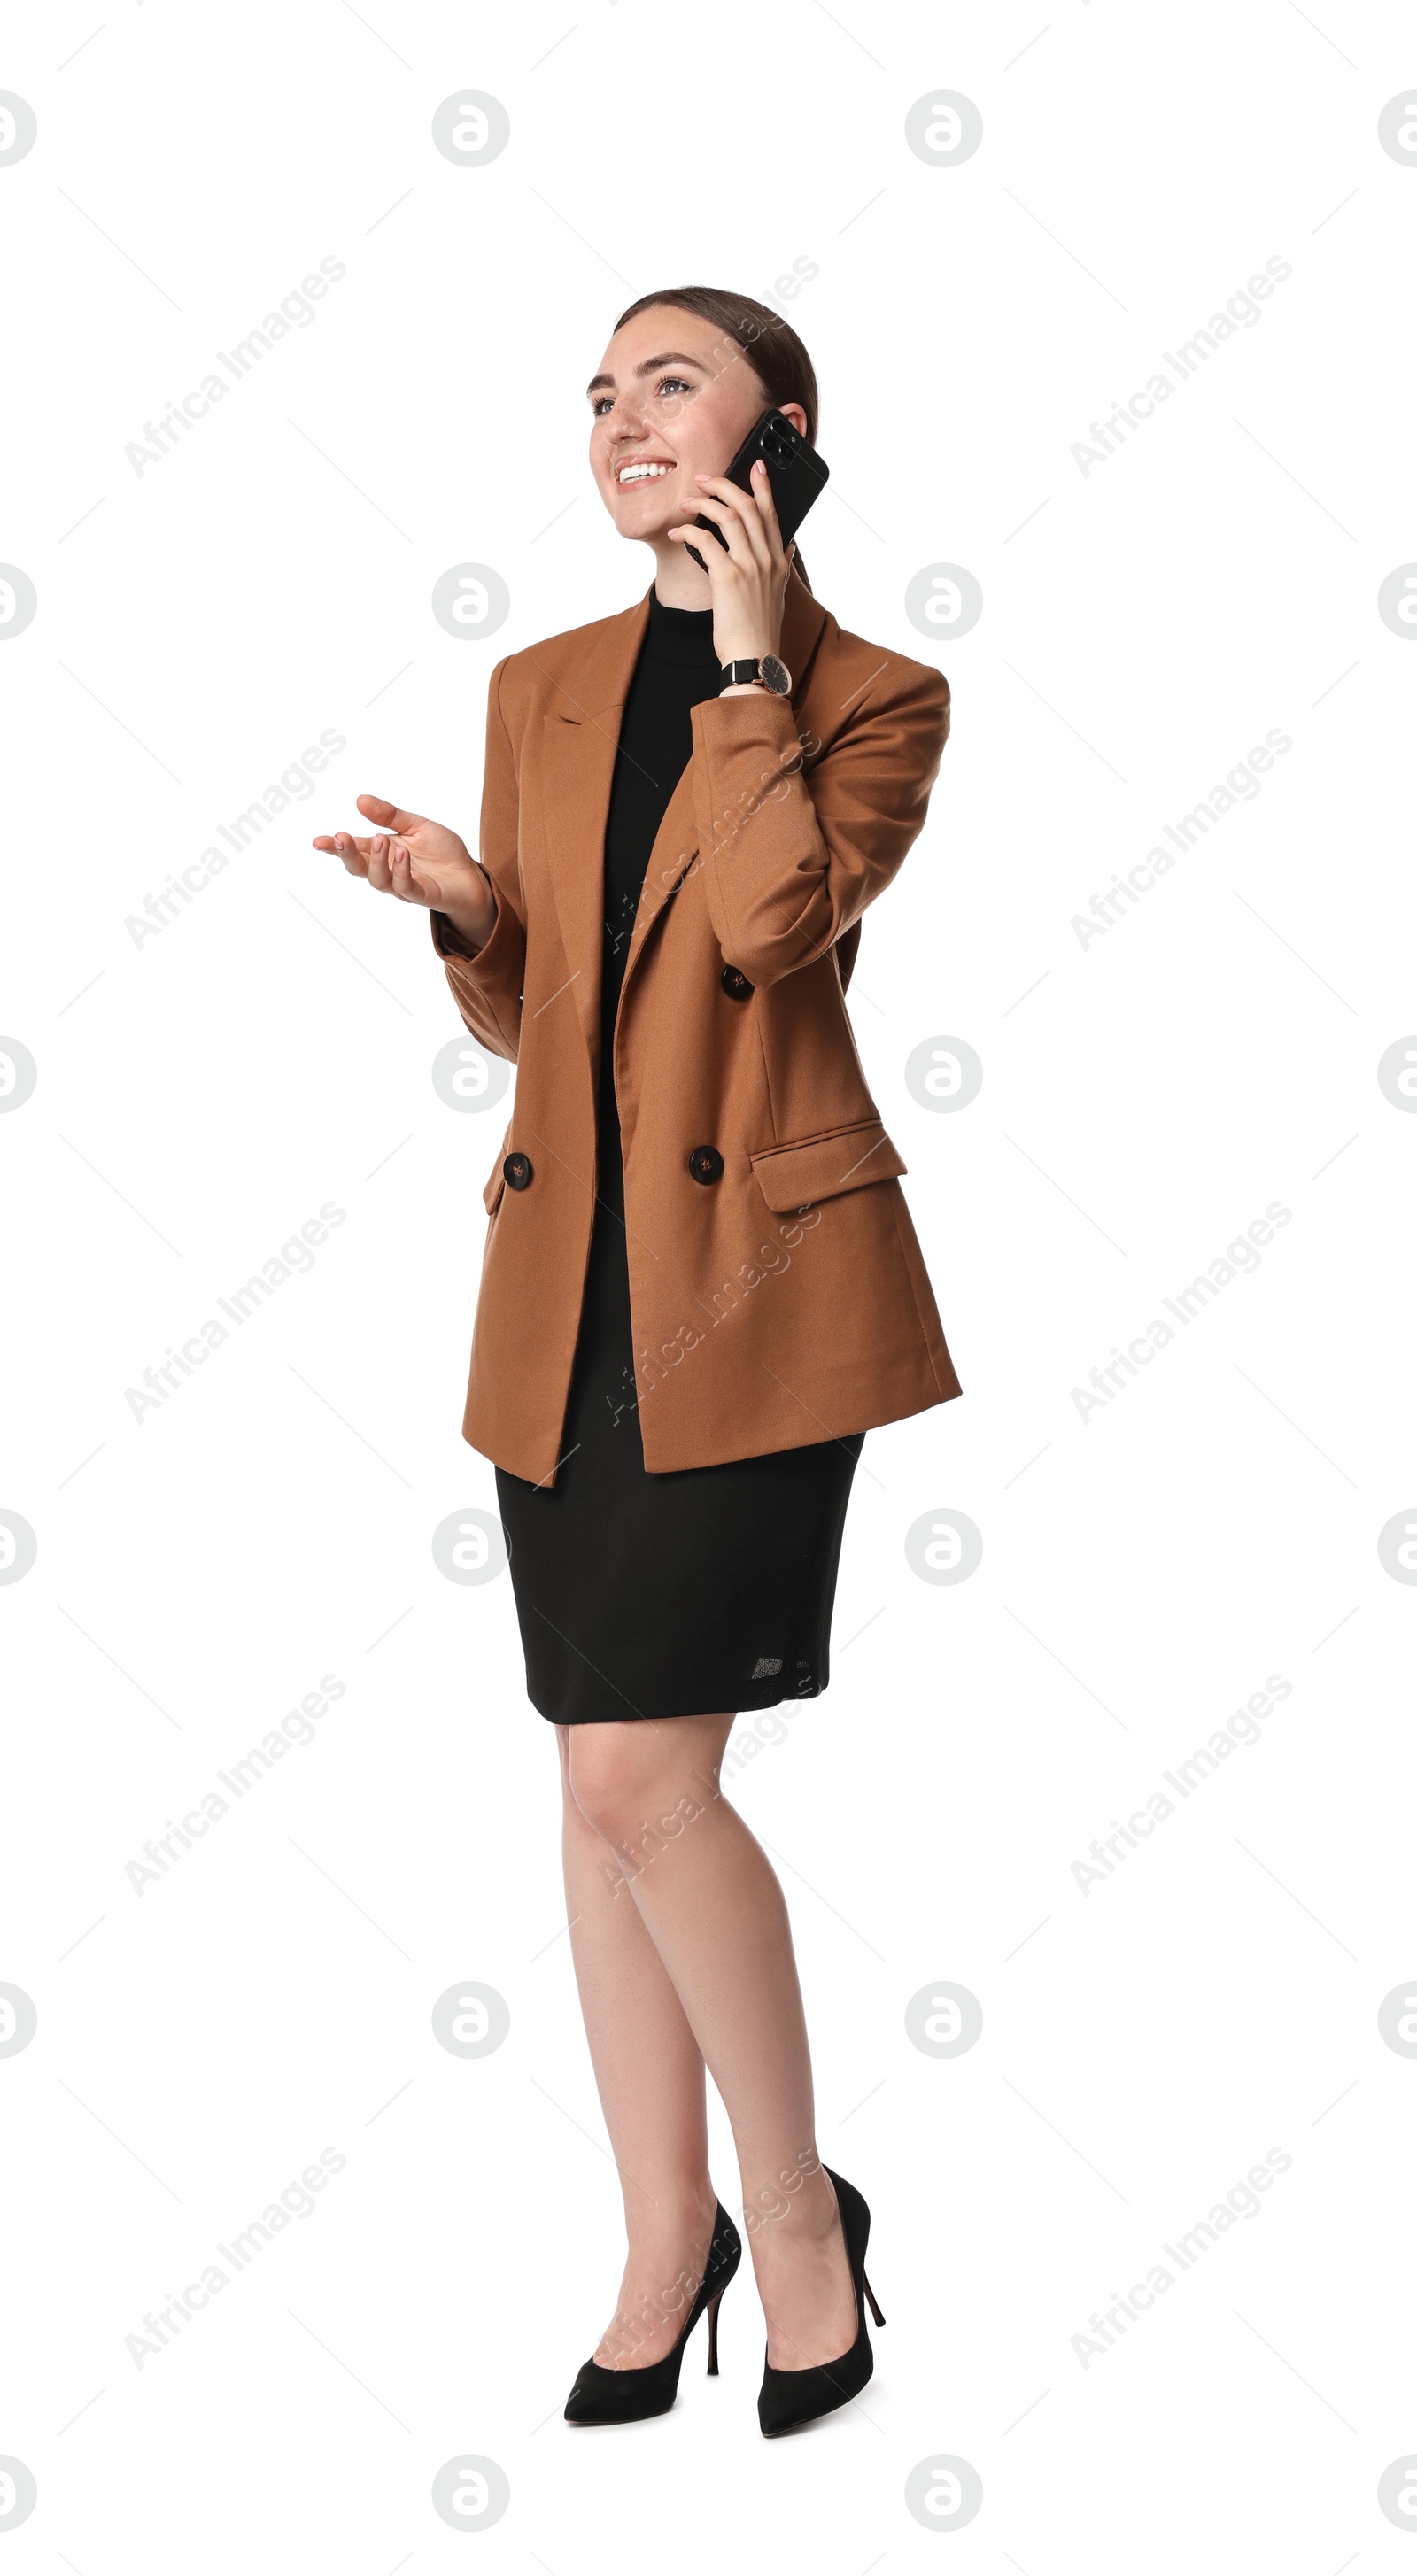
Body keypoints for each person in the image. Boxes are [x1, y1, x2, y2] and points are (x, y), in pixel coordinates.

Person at [314, 286, 962, 2436]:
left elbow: (781, 930)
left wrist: (756, 664)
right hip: (564, 1306)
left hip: (755, 1305)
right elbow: (541, 1032)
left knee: (636, 1781)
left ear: (778, 427)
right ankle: (655, 2235)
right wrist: (472, 913)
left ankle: (798, 2227)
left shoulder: (874, 693)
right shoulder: (544, 686)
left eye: (662, 381)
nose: (615, 417)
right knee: (593, 1802)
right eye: (595, 392)